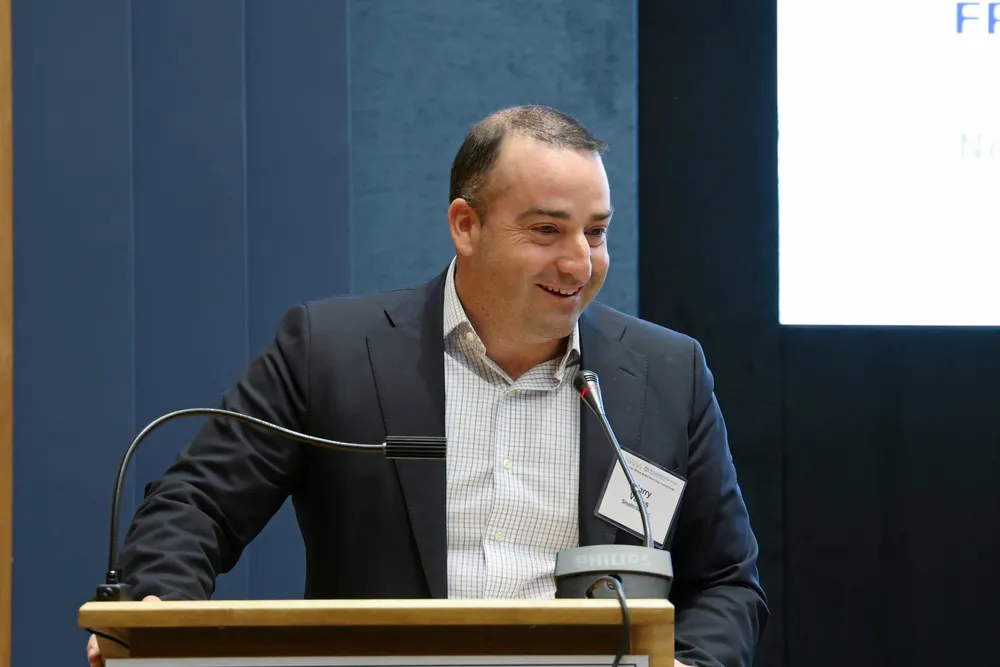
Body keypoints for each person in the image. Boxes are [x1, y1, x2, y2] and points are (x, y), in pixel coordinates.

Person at [87, 105, 767, 667]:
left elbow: (725, 582)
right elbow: (196, 505)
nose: (579, 263)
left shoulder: (667, 374)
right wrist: (155, 612)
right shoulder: (332, 352)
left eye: (596, 232)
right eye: (546, 230)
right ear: (466, 226)